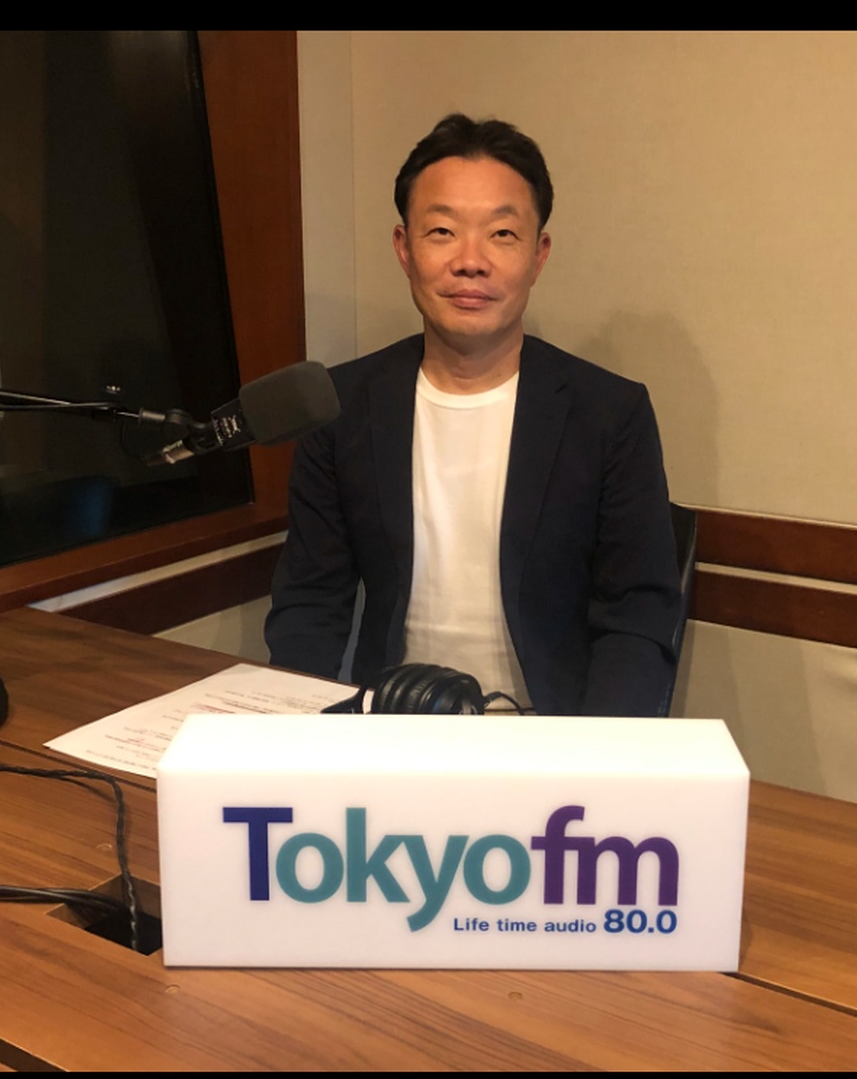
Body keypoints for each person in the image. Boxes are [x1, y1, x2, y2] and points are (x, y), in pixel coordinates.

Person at [265, 114, 681, 716]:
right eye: (442, 231)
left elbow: (637, 617)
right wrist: (293, 736)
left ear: (538, 255)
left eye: (502, 234)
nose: (470, 261)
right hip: (393, 728)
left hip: (552, 737)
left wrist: (596, 755)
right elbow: (309, 603)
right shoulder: (340, 406)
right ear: (404, 248)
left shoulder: (610, 414)